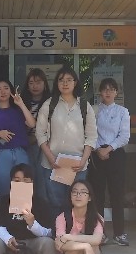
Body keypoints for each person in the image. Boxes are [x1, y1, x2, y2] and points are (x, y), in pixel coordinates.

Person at [36, 67, 97, 219]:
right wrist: (50, 157)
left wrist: (83, 160)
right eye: (61, 80)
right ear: (56, 83)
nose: (65, 83)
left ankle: (75, 230)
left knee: (77, 203)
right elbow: (40, 133)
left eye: (69, 80)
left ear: (75, 83)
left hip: (77, 165)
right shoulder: (49, 104)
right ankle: (58, 232)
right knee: (55, 203)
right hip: (53, 164)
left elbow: (91, 136)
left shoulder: (84, 106)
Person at [89, 78, 132, 246]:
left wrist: (108, 149)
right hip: (96, 155)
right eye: (104, 89)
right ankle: (100, 233)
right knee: (97, 195)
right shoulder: (93, 110)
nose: (108, 92)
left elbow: (124, 136)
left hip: (116, 154)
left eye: (111, 89)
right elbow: (89, 133)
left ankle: (119, 233)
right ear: (100, 92)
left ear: (116, 92)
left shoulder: (122, 111)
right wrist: (98, 149)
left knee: (117, 194)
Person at [0, 80, 36, 197]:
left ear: (11, 91)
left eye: (6, 88)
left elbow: (32, 124)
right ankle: (3, 209)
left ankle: (22, 210)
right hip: (0, 154)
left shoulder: (18, 110)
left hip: (20, 152)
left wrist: (21, 104)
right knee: (3, 190)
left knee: (23, 191)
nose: (3, 91)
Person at [22, 68, 52, 205]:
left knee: (42, 181)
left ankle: (43, 210)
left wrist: (36, 139)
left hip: (45, 146)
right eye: (31, 83)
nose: (35, 86)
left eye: (38, 82)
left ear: (45, 84)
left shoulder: (51, 103)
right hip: (25, 146)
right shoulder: (22, 103)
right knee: (26, 179)